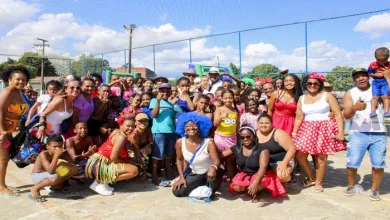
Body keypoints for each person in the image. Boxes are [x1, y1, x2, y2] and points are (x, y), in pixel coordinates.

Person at [292, 72, 345, 193]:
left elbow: (337, 114)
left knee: (321, 157)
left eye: (315, 83)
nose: (312, 85)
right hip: (306, 128)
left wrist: (341, 131)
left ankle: (319, 182)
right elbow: (299, 117)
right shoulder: (302, 98)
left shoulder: (327, 96)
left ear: (320, 84)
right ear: (305, 85)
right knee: (300, 155)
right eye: (309, 83)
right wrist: (294, 133)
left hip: (324, 128)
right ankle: (311, 177)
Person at [342, 68, 387, 201]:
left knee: (378, 164)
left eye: (364, 76)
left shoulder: (378, 89)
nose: (361, 78)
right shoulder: (350, 93)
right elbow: (346, 115)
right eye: (357, 77)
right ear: (354, 80)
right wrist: (355, 108)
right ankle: (351, 185)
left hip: (379, 133)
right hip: (357, 133)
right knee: (352, 162)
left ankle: (374, 190)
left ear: (369, 77)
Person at [221, 126, 286, 202]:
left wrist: (255, 182)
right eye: (242, 137)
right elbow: (221, 155)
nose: (245, 139)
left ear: (254, 137)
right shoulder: (237, 148)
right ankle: (249, 188)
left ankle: (258, 190)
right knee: (236, 187)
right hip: (246, 174)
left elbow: (263, 167)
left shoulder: (262, 149)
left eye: (248, 137)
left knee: (257, 184)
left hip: (262, 174)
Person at [85, 117, 145, 196]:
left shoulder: (116, 131)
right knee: (134, 170)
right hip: (99, 165)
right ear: (121, 126)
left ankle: (101, 182)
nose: (130, 128)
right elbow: (114, 158)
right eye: (128, 126)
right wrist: (128, 161)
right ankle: (101, 183)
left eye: (133, 126)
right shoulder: (121, 137)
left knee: (131, 165)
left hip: (97, 162)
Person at [172, 112, 222, 197]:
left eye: (194, 125)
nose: (191, 128)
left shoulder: (208, 142)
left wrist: (213, 168)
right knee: (178, 192)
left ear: (199, 128)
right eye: (188, 125)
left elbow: (216, 160)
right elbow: (179, 159)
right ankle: (200, 184)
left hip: (210, 173)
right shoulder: (180, 142)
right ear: (183, 128)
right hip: (195, 173)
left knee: (209, 194)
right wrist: (181, 177)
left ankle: (208, 185)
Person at [0, 66, 30, 197]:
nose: (21, 82)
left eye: (24, 80)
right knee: (2, 159)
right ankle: (1, 187)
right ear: (9, 80)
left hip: (9, 131)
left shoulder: (19, 93)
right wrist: (2, 132)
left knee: (4, 159)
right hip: (2, 131)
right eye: (18, 79)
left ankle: (2, 184)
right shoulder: (8, 91)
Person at [150, 83, 182, 185]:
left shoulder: (171, 105)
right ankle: (154, 176)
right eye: (163, 91)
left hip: (171, 132)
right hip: (159, 132)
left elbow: (172, 119)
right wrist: (158, 102)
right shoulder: (154, 101)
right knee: (157, 155)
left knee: (168, 155)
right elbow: (154, 115)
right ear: (159, 92)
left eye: (167, 91)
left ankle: (169, 174)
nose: (165, 93)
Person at [29, 135, 78, 202]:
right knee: (55, 177)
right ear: (47, 146)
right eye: (54, 147)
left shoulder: (64, 153)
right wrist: (56, 156)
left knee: (72, 170)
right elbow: (50, 171)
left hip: (50, 175)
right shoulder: (43, 154)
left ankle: (55, 186)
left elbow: (75, 169)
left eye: (59, 146)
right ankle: (35, 189)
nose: (57, 149)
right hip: (37, 176)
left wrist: (63, 163)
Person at [256, 114, 296, 182]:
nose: (264, 125)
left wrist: (284, 163)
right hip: (262, 163)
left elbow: (292, 149)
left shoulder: (279, 133)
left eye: (267, 123)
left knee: (283, 176)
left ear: (272, 123)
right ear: (257, 123)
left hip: (280, 161)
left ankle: (283, 181)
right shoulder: (253, 134)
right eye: (261, 123)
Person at [213, 89, 240, 180]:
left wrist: (237, 136)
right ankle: (218, 176)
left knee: (230, 159)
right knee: (220, 157)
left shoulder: (236, 111)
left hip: (232, 138)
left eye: (230, 98)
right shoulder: (219, 109)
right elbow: (215, 124)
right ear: (222, 98)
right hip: (220, 138)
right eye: (226, 98)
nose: (228, 100)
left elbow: (237, 125)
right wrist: (221, 116)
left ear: (233, 98)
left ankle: (231, 178)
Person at [368, 47, 390, 118]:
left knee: (386, 96)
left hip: (385, 82)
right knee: (375, 97)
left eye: (384, 60)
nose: (382, 62)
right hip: (376, 83)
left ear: (388, 58)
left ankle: (386, 112)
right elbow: (369, 74)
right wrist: (376, 75)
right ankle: (372, 111)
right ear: (375, 58)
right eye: (379, 60)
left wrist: (386, 75)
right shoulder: (372, 65)